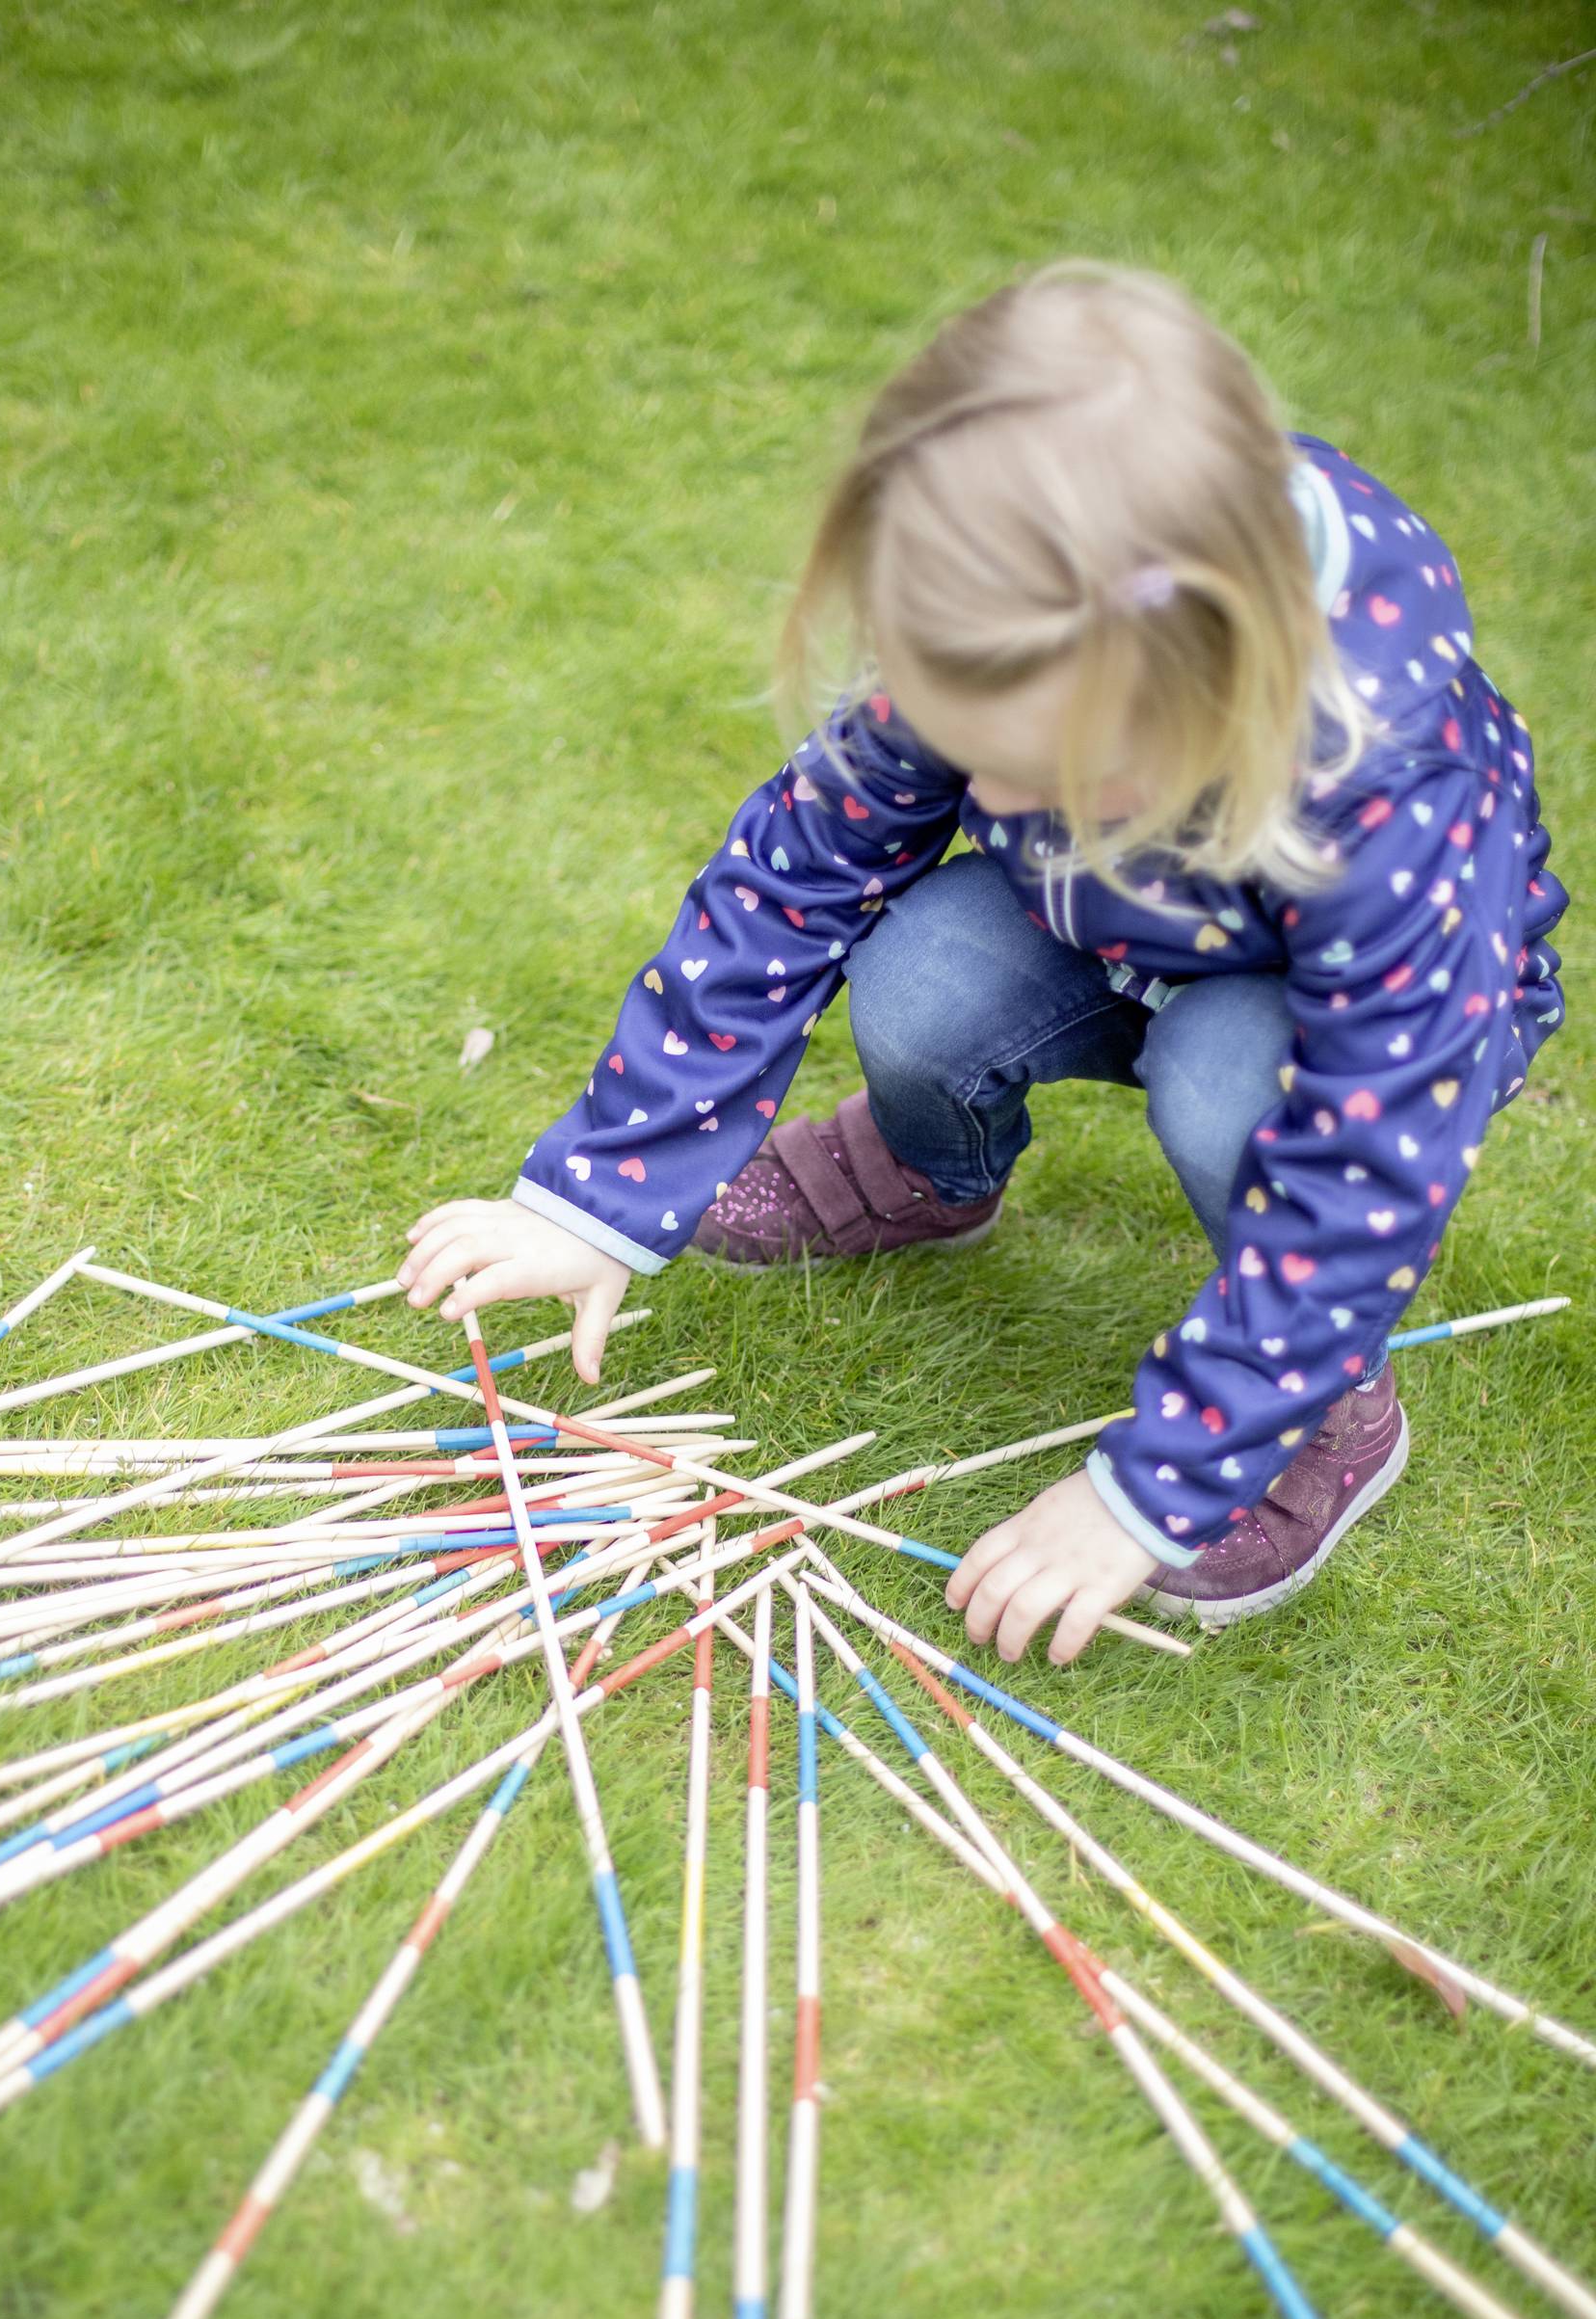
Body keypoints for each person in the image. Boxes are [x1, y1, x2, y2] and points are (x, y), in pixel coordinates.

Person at [396, 263, 1567, 1663]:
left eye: (1024, 774)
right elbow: (790, 883)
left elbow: (1366, 1172)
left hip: (1325, 1034)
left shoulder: (1393, 795)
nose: (987, 798)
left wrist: (1146, 1499)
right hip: (1107, 925)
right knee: (921, 973)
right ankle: (927, 1172)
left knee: (1228, 1090)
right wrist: (601, 1197)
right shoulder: (1006, 606)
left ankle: (1323, 1403)